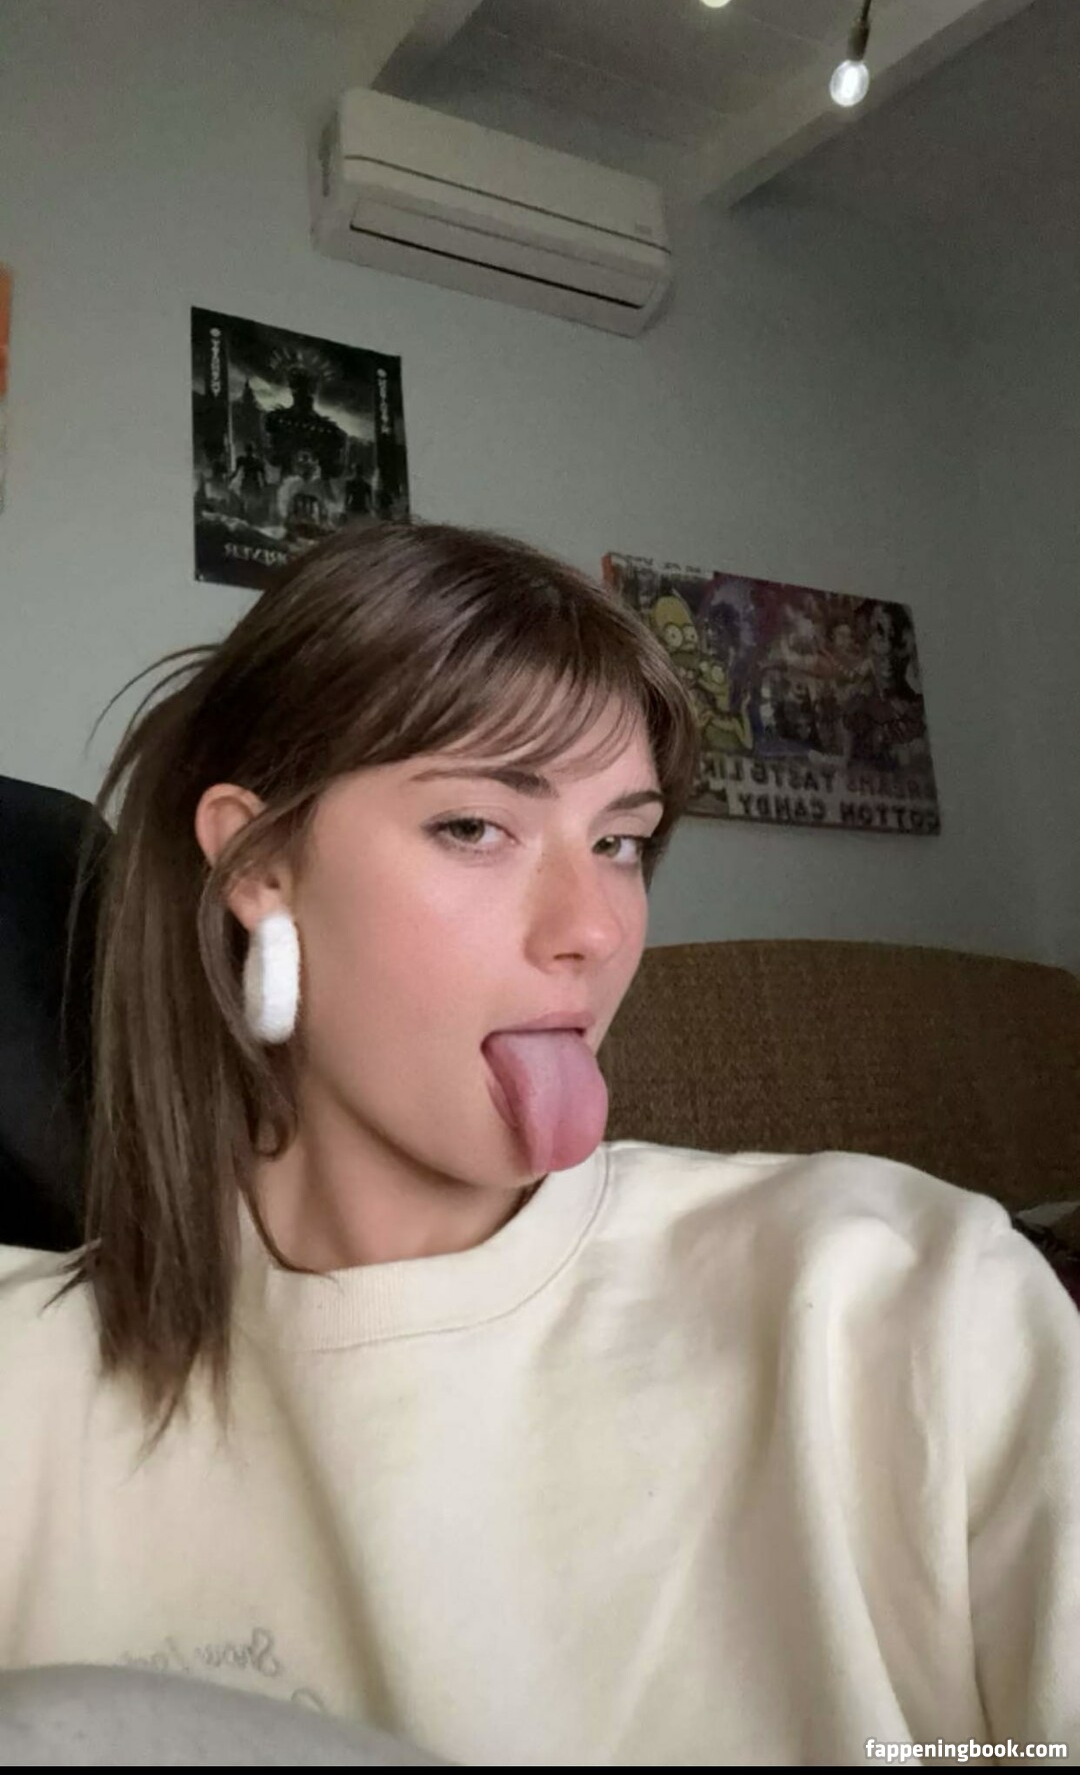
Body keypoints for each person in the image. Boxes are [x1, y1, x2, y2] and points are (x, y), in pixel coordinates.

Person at [0, 518, 1077, 1768]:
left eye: (619, 842)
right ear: (260, 861)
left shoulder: (907, 1296)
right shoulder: (25, 1389)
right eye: (476, 826)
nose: (595, 928)